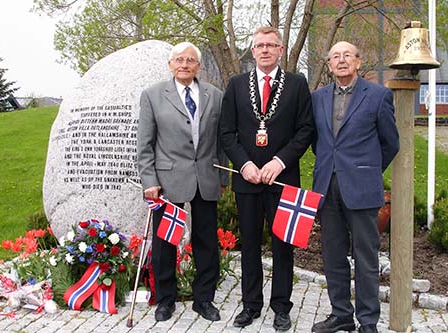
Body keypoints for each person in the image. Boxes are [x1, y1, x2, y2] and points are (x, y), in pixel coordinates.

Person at [219, 26, 315, 331]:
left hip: (283, 179)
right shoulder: (236, 85)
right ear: (251, 50)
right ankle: (251, 305)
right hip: (247, 179)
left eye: (270, 45)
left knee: (283, 246)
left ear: (281, 50)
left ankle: (281, 307)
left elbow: (306, 130)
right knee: (248, 245)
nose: (264, 50)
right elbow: (226, 132)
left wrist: (279, 161)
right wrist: (244, 164)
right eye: (259, 45)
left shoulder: (298, 85)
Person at [311, 41, 400, 333]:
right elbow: (318, 142)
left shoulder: (378, 96)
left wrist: (366, 170)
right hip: (327, 187)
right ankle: (341, 315)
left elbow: (390, 143)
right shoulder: (319, 98)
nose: (341, 60)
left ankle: (368, 321)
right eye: (335, 56)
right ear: (329, 64)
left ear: (359, 62)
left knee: (365, 257)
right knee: (333, 255)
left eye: (347, 55)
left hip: (362, 188)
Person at [137, 41, 227, 323]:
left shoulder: (215, 95)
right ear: (170, 64)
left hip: (206, 177)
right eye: (179, 60)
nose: (185, 64)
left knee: (206, 242)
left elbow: (222, 140)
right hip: (167, 180)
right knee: (165, 243)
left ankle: (204, 299)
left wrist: (222, 175)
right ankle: (165, 300)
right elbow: (145, 143)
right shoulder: (152, 96)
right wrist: (149, 180)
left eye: (190, 60)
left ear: (198, 66)